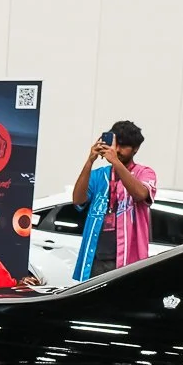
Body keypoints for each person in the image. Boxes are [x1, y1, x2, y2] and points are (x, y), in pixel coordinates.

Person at [71, 120, 155, 281]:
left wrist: (115, 161)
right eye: (115, 144)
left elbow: (140, 194)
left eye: (123, 146)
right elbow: (78, 199)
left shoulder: (145, 173)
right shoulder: (98, 175)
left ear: (136, 148)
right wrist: (90, 161)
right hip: (96, 259)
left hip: (128, 261)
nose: (116, 150)